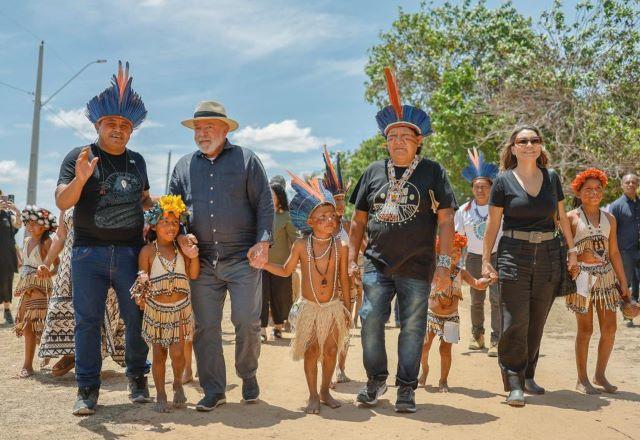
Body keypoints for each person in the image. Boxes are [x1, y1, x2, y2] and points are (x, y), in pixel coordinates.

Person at [349, 67, 457, 413]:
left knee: (412, 327)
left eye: (405, 137)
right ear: (385, 141)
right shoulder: (372, 172)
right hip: (377, 263)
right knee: (370, 319)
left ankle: (406, 388)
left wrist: (443, 266)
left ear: (418, 141)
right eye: (392, 137)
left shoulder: (433, 171)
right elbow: (358, 219)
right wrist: (353, 258)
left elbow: (446, 219)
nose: (398, 142)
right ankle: (376, 379)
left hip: (418, 264)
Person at [55, 62, 156, 415]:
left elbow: (143, 199)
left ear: (131, 131)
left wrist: (170, 205)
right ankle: (86, 389)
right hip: (88, 253)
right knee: (88, 320)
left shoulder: (137, 160)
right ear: (98, 125)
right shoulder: (79, 157)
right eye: (111, 124)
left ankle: (138, 379)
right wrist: (81, 179)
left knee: (136, 317)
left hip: (130, 254)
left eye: (124, 125)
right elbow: (62, 201)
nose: (118, 129)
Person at [170, 100, 274, 411]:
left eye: (209, 128)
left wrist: (263, 242)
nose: (202, 134)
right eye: (197, 129)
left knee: (246, 321)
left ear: (225, 129)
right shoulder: (183, 167)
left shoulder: (247, 160)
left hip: (243, 258)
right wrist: (180, 237)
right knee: (205, 327)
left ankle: (248, 374)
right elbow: (174, 214)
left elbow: (265, 206)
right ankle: (213, 389)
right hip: (201, 262)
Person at [482, 125, 578, 407]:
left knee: (537, 320)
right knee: (516, 320)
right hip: (513, 254)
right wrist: (487, 260)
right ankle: (514, 381)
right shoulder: (502, 182)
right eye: (522, 141)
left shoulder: (552, 178)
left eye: (534, 140)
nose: (529, 145)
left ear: (540, 146)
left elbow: (561, 217)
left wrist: (571, 251)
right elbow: (492, 224)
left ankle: (528, 375)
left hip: (549, 253)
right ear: (513, 148)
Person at [257, 174, 351, 414]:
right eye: (323, 217)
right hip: (309, 307)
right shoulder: (301, 245)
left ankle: (325, 391)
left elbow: (344, 281)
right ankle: (312, 395)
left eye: (332, 216)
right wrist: (264, 264)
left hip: (332, 307)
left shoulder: (340, 247)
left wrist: (348, 310)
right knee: (310, 351)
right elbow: (287, 270)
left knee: (330, 350)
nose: (330, 220)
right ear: (310, 221)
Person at [566, 169, 633, 394]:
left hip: (606, 278)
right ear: (579, 192)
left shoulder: (610, 219)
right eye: (588, 189)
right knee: (585, 330)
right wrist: (578, 256)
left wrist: (623, 282)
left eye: (597, 189)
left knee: (610, 329)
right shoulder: (571, 217)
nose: (593, 193)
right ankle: (581, 378)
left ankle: (600, 374)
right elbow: (562, 249)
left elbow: (613, 252)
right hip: (581, 279)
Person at [37, 208, 126, 376]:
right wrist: (47, 262)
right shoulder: (69, 196)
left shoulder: (108, 192)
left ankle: (91, 355)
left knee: (100, 305)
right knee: (66, 305)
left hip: (102, 258)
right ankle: (70, 352)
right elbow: (60, 235)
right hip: (70, 260)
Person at [131, 195, 199, 412]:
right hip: (156, 311)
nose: (171, 227)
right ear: (153, 224)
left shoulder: (182, 250)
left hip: (180, 310)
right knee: (159, 353)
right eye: (165, 222)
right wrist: (142, 278)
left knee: (178, 352)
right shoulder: (148, 252)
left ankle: (177, 382)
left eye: (175, 222)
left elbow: (194, 275)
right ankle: (160, 393)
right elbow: (142, 272)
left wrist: (194, 255)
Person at [419, 233, 492, 392]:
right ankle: (424, 370)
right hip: (431, 316)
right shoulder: (434, 270)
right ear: (441, 252)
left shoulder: (462, 272)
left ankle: (443, 380)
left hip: (451, 318)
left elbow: (476, 284)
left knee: (445, 350)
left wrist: (485, 281)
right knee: (424, 346)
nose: (455, 253)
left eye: (458, 250)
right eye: (450, 250)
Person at [456, 148, 501, 355]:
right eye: (477, 187)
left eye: (484, 187)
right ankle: (477, 336)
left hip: (497, 256)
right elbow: (458, 240)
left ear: (491, 188)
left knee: (497, 299)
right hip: (473, 258)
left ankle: (497, 339)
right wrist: (456, 263)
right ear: (472, 189)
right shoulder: (463, 211)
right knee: (476, 298)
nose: (480, 190)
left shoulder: (500, 209)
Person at [321, 146, 356, 384]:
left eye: (343, 201)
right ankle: (327, 368)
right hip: (325, 286)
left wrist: (355, 266)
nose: (340, 206)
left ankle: (340, 368)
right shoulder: (323, 227)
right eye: (336, 201)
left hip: (347, 286)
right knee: (326, 331)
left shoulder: (352, 225)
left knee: (344, 329)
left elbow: (359, 249)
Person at [13, 206, 57, 378]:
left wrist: (47, 272)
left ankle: (29, 364)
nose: (30, 227)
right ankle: (31, 362)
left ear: (44, 226)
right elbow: (24, 265)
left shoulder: (46, 242)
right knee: (26, 325)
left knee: (35, 324)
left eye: (34, 223)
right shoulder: (25, 241)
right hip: (26, 287)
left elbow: (57, 265)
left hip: (41, 287)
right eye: (28, 223)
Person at [261, 182, 297, 342]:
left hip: (281, 266)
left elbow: (295, 240)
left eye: (272, 194)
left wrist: (297, 259)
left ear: (279, 196)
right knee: (261, 297)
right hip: (261, 264)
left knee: (280, 297)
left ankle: (278, 328)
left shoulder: (286, 216)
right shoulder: (261, 214)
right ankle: (261, 330)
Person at [609, 173, 640, 326]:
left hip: (639, 250)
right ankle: (627, 316)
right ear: (622, 185)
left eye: (634, 182)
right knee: (625, 284)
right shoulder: (616, 206)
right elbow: (611, 231)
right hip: (624, 252)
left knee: (637, 284)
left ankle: (636, 310)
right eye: (627, 182)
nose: (630, 184)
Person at [0, 191, 21, 324]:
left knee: (7, 281)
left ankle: (7, 311)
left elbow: (18, 225)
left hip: (7, 254)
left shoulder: (8, 215)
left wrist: (17, 212)